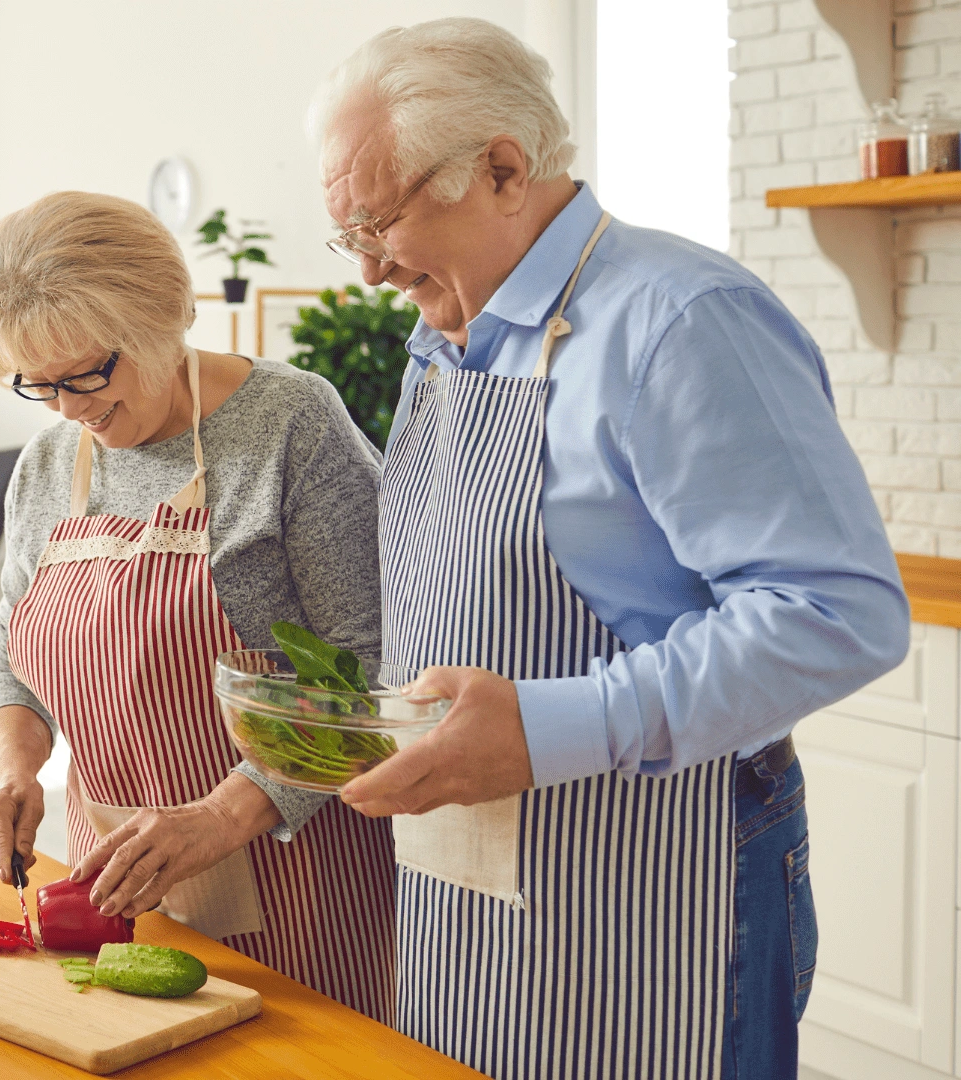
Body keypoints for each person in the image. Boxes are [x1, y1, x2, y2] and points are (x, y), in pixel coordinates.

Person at [313, 17, 910, 1078]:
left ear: (501, 168)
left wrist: (543, 732)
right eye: (344, 235)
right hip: (472, 872)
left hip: (662, 867)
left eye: (377, 224)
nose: (365, 271)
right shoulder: (450, 337)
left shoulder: (681, 319)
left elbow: (838, 616)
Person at [0, 190, 394, 1017]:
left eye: (86, 374)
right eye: (38, 387)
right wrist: (14, 772)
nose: (71, 409)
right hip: (114, 887)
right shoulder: (47, 465)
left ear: (162, 318)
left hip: (294, 879)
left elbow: (366, 669)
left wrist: (219, 818)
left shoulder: (290, 425)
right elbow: (16, 655)